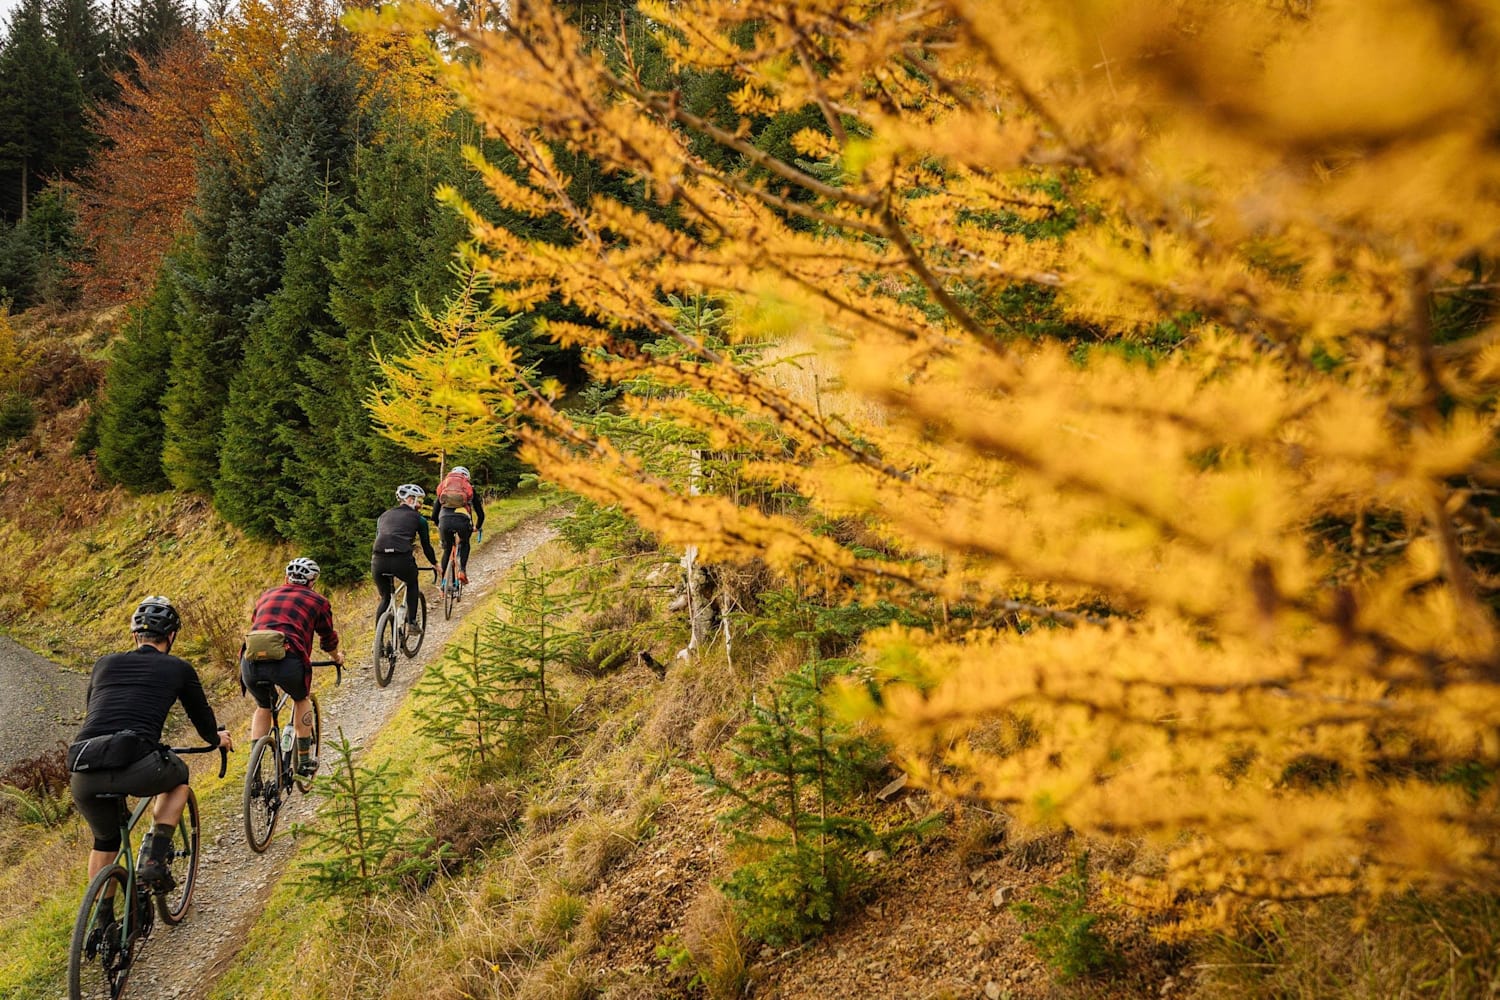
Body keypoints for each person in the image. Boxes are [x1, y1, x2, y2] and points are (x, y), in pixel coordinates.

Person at [68, 596, 233, 894]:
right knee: (179, 777)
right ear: (171, 636)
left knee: (105, 841)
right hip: (138, 764)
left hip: (84, 767)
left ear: (135, 635)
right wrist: (217, 738)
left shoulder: (104, 663)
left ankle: (101, 921)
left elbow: (94, 709)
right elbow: (203, 720)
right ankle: (154, 860)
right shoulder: (178, 668)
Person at [240, 557, 344, 776]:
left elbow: (257, 622)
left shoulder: (267, 595)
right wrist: (336, 657)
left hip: (251, 661)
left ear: (286, 577)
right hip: (288, 659)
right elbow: (327, 637)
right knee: (301, 699)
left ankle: (255, 771)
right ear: (312, 580)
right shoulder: (318, 601)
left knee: (263, 706)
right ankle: (304, 761)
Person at [373, 483, 438, 632]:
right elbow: (426, 546)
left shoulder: (383, 516)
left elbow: (379, 538)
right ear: (409, 499)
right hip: (400, 559)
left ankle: (378, 643)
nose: (420, 503)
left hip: (378, 560)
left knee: (385, 598)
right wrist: (435, 563)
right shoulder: (419, 519)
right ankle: (412, 623)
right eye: (418, 500)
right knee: (412, 582)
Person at [432, 465, 485, 587]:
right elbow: (480, 514)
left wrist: (439, 525)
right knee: (464, 543)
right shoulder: (469, 488)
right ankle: (462, 571)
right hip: (463, 520)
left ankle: (444, 582)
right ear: (467, 478)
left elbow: (434, 515)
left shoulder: (444, 487)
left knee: (447, 549)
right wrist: (477, 526)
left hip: (444, 520)